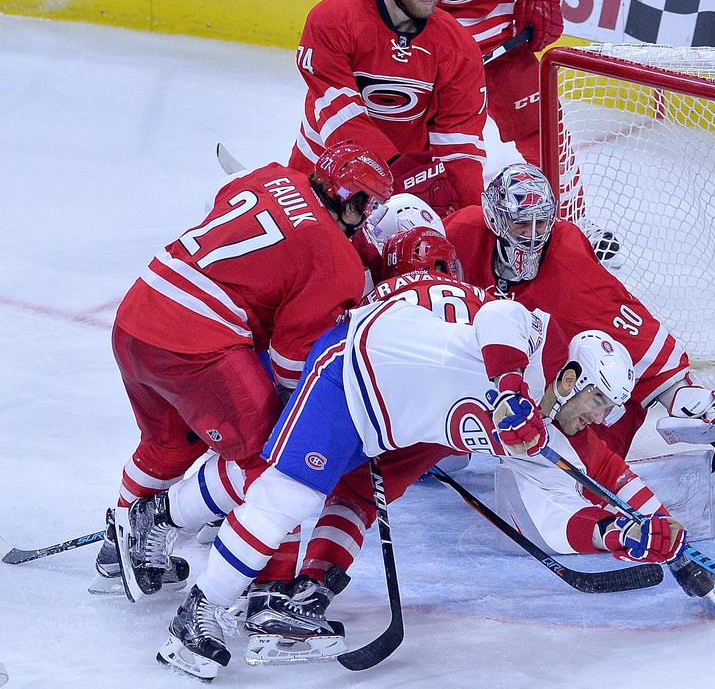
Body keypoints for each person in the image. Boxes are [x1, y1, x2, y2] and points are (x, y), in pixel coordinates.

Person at [153, 286, 684, 681]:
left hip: (386, 429)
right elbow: (500, 315)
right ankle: (196, 608)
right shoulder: (532, 339)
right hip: (355, 367)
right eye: (597, 402)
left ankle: (252, 576)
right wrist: (509, 388)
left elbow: (558, 519)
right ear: (570, 381)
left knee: (328, 495)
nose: (600, 419)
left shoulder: (548, 439)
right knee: (289, 494)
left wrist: (615, 536)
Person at [103, 143, 391, 600]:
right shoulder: (337, 260)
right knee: (277, 459)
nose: (368, 216)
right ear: (350, 199)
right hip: (195, 346)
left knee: (168, 442)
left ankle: (119, 544)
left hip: (136, 316)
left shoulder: (272, 176)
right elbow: (292, 363)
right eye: (367, 203)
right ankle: (268, 584)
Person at [443, 163, 715, 546]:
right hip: (499, 376)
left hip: (562, 393)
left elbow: (633, 333)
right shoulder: (460, 233)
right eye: (523, 225)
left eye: (542, 223)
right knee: (447, 450)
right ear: (496, 219)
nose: (535, 236)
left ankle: (705, 501)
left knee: (582, 479)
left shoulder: (567, 264)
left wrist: (686, 397)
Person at [288, 0, 488, 217]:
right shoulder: (334, 19)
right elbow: (340, 111)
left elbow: (459, 142)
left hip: (406, 185)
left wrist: (469, 218)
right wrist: (395, 169)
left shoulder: (459, 48)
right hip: (322, 167)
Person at [358, 0, 563, 169]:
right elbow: (377, 11)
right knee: (432, 162)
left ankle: (569, 207)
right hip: (435, 63)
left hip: (504, 47)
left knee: (545, 141)